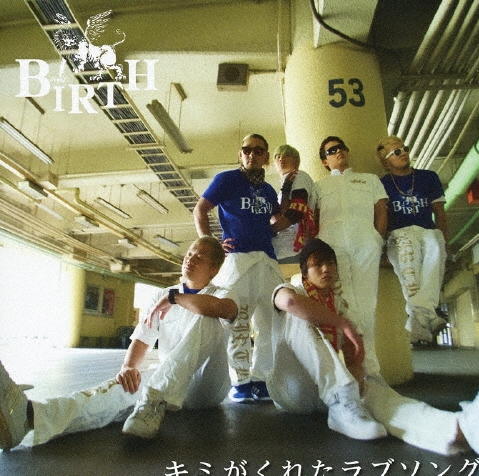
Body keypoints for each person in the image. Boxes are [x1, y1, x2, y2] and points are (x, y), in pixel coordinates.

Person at [269, 238, 479, 462]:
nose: (326, 268)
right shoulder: (290, 288)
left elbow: (352, 357)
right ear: (304, 271)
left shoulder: (339, 304)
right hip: (291, 391)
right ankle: (340, 397)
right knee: (299, 315)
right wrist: (342, 324)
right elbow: (289, 303)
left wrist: (357, 373)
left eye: (330, 263)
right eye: (317, 264)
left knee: (380, 395)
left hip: (325, 392)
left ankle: (463, 429)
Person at [0, 237, 239, 449]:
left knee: (210, 315)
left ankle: (155, 397)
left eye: (199, 257)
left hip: (205, 387)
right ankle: (30, 417)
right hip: (167, 381)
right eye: (189, 253)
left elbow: (226, 309)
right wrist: (128, 367)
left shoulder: (222, 292)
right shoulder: (162, 294)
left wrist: (174, 299)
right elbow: (142, 338)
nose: (190, 259)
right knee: (117, 390)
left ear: (213, 269)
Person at [193, 134, 284, 403]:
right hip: (237, 259)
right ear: (240, 154)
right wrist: (210, 243)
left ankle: (262, 379)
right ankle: (241, 383)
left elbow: (277, 220)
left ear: (266, 157)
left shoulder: (269, 191)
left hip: (267, 260)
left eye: (259, 150)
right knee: (238, 321)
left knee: (272, 321)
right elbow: (200, 210)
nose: (252, 154)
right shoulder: (227, 180)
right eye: (247, 150)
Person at [312, 136, 388, 377]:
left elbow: (381, 210)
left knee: (367, 302)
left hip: (365, 242)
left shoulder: (370, 180)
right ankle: (352, 368)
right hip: (332, 246)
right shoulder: (319, 186)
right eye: (331, 150)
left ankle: (371, 370)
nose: (338, 152)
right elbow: (313, 218)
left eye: (341, 147)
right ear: (325, 161)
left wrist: (377, 239)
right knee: (344, 303)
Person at [377, 135, 449, 344]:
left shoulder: (429, 177)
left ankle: (418, 319)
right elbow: (381, 216)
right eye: (397, 152)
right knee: (410, 270)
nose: (404, 153)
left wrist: (446, 243)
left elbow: (440, 212)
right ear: (386, 161)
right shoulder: (382, 184)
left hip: (427, 230)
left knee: (436, 245)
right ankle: (428, 316)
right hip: (398, 234)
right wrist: (381, 247)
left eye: (405, 148)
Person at [270, 144, 317, 263]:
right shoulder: (286, 183)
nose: (281, 159)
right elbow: (282, 215)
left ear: (296, 161)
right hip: (284, 248)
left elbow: (296, 212)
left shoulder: (298, 176)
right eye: (278, 156)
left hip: (293, 247)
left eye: (287, 155)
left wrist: (269, 230)